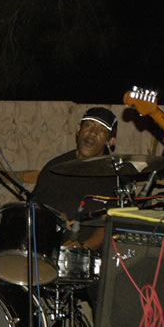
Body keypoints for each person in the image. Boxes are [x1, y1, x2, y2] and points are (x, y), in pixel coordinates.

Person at [33, 107, 120, 253]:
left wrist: (83, 248)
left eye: (101, 130)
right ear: (78, 129)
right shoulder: (54, 168)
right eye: (88, 125)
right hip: (47, 252)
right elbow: (34, 210)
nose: (92, 132)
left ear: (110, 141)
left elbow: (109, 227)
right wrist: (54, 215)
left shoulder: (115, 178)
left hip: (91, 257)